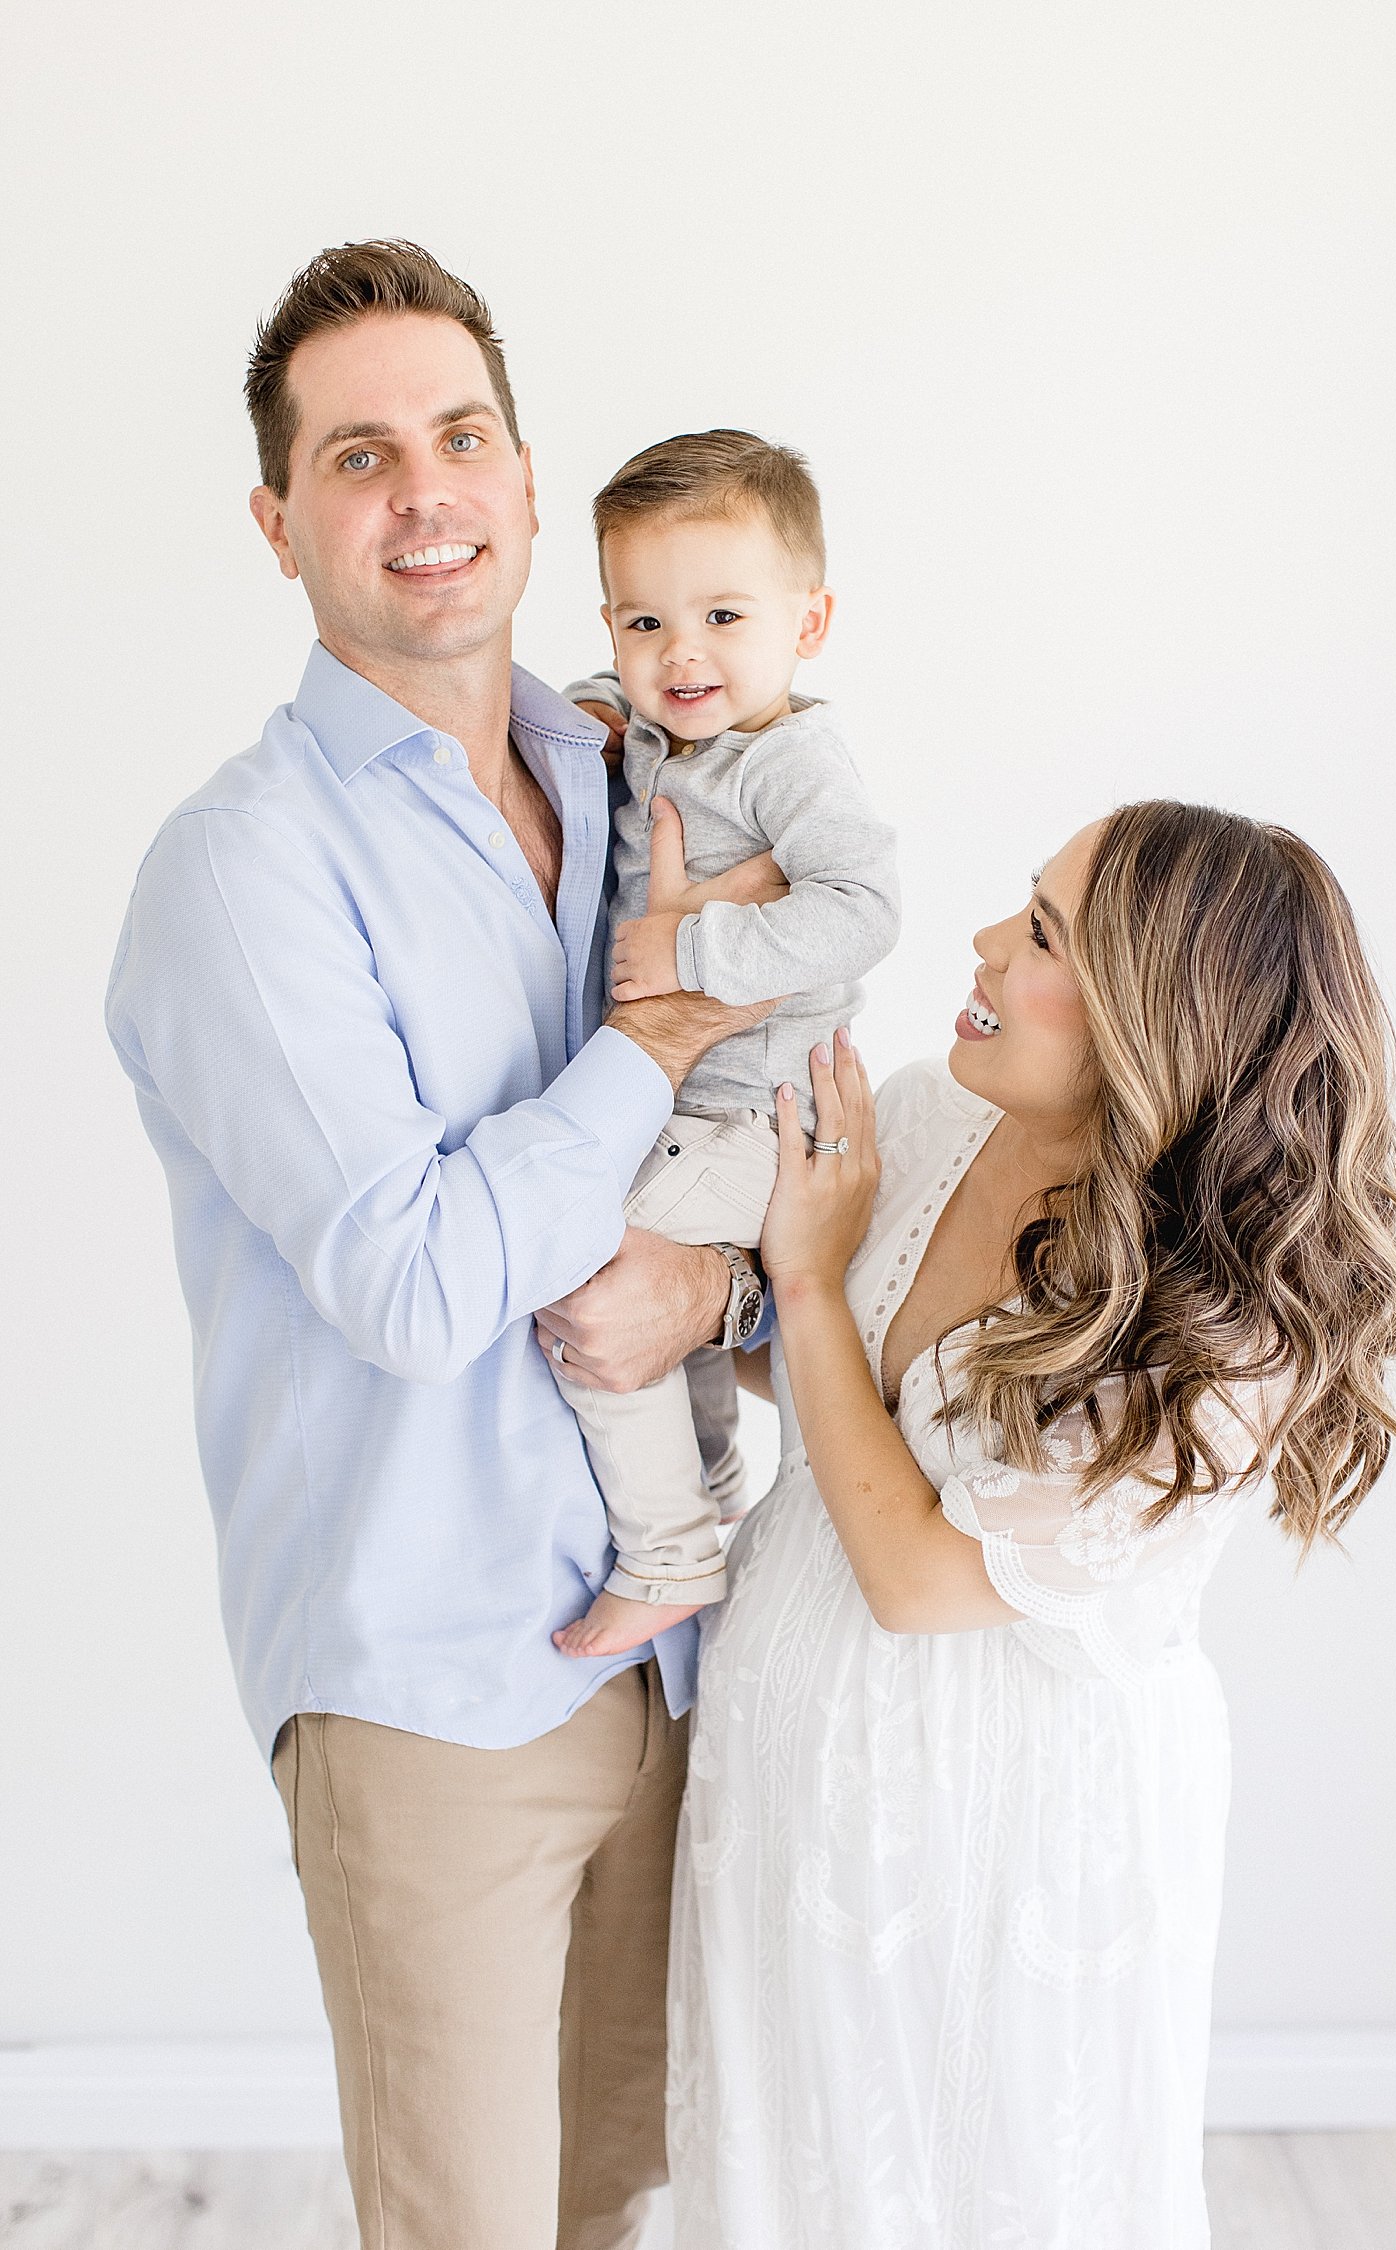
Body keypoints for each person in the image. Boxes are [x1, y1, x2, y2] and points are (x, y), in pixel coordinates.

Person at [105, 239, 785, 2250]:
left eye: (462, 434)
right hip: (429, 1695)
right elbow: (413, 1285)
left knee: (618, 2218)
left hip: (670, 1664)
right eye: (361, 454)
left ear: (523, 473)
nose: (426, 490)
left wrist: (724, 1285)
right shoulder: (243, 870)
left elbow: (759, 1167)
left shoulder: (635, 774)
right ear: (281, 522)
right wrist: (654, 1041)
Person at [665, 802, 1396, 2248]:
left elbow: (918, 1575)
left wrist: (811, 1285)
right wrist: (745, 1288)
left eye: (1039, 936)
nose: (978, 944)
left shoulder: (1223, 1331)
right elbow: (836, 1388)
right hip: (784, 1773)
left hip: (1007, 1836)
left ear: (1154, 1017)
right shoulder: (923, 1112)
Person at [550, 428, 900, 1660]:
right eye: (642, 625)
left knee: (589, 1266)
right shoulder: (663, 730)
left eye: (721, 616)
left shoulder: (793, 761)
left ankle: (670, 1555)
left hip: (760, 1118)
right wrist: (589, 712)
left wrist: (691, 959)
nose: (680, 653)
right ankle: (705, 1487)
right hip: (689, 1106)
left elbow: (864, 912)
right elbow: (612, 706)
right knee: (657, 1309)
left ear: (809, 622)